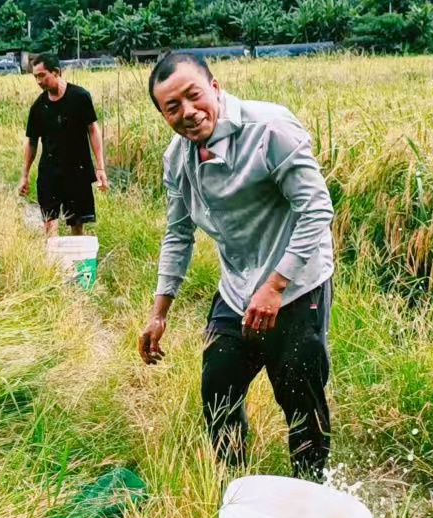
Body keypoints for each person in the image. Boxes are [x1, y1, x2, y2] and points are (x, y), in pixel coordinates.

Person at [137, 51, 336, 480]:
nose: (188, 113)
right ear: (163, 114)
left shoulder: (269, 129)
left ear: (214, 86)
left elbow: (317, 209)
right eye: (172, 107)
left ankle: (311, 497)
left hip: (297, 285)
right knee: (218, 388)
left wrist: (276, 286)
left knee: (301, 401)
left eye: (193, 96)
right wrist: (159, 313)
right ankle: (234, 488)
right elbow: (178, 234)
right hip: (238, 288)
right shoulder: (178, 159)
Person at [18, 54, 108, 236]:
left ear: (57, 72)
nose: (38, 81)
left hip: (77, 171)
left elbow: (93, 129)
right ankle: (53, 264)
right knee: (50, 225)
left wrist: (100, 167)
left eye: (42, 75)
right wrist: (25, 175)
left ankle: (76, 262)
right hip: (49, 173)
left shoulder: (80, 97)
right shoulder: (38, 107)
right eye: (35, 76)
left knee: (78, 225)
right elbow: (32, 142)